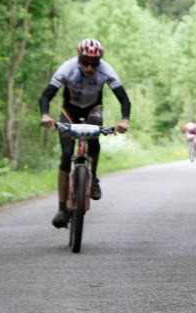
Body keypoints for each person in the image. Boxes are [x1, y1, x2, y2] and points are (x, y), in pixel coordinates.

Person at [39, 38, 131, 228]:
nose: (89, 68)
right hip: (69, 111)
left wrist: (124, 121)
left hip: (92, 110)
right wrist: (46, 116)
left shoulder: (106, 70)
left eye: (93, 64)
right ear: (79, 59)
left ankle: (94, 177)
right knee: (65, 155)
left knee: (95, 135)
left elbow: (123, 98)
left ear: (99, 62)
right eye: (85, 63)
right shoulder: (67, 68)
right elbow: (47, 94)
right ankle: (62, 208)